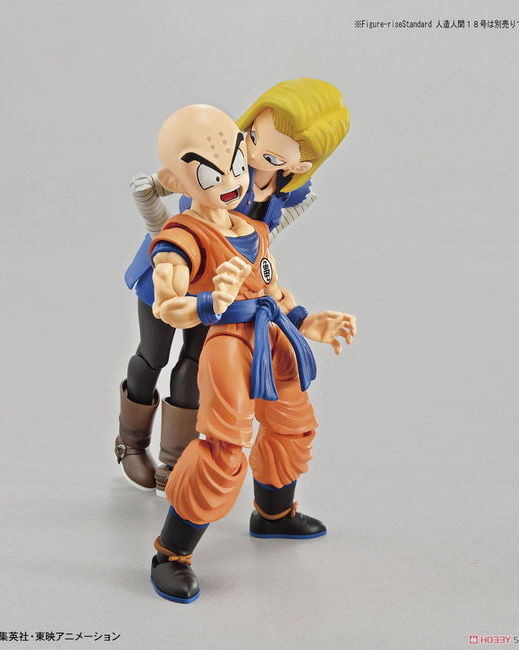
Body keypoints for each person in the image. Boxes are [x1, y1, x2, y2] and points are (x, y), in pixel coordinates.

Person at [147, 104, 356, 603]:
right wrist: (209, 301)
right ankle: (171, 554)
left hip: (273, 335)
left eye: (237, 163)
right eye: (209, 173)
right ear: (175, 181)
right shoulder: (181, 238)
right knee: (223, 447)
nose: (231, 180)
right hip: (228, 345)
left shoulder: (252, 229)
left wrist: (307, 320)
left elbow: (272, 289)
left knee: (293, 425)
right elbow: (167, 305)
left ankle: (274, 514)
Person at [118, 79, 350, 496]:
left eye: (268, 156)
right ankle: (131, 442)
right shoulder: (218, 162)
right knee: (153, 356)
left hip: (227, 288)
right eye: (254, 139)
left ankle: (174, 458)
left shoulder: (272, 195)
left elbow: (266, 273)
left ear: (297, 167)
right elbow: (177, 215)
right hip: (178, 273)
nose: (250, 159)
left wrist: (300, 318)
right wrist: (160, 222)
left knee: (193, 365)